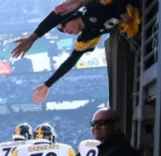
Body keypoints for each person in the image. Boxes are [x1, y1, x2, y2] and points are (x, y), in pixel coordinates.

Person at [12, 0, 141, 103]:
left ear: (72, 17)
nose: (66, 31)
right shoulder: (87, 36)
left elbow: (54, 18)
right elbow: (71, 60)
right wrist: (48, 84)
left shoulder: (89, 9)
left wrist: (31, 38)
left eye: (64, 27)